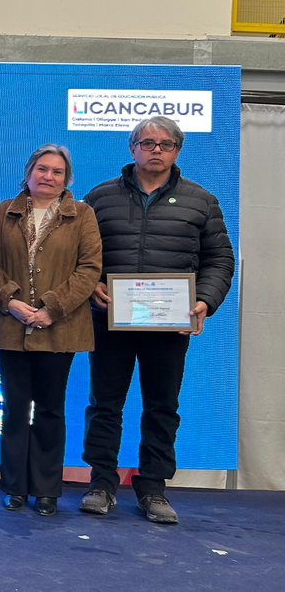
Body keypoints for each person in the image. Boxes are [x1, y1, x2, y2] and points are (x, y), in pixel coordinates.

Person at [80, 116, 234, 524]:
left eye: (165, 144)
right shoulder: (99, 198)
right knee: (105, 405)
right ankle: (101, 483)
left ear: (177, 151)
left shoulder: (201, 201)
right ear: (132, 149)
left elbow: (220, 260)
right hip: (109, 320)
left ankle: (153, 489)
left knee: (162, 407)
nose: (156, 150)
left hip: (170, 325)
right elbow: (78, 256)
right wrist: (92, 282)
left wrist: (204, 300)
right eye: (147, 143)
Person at [0, 145, 101, 516]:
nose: (48, 177)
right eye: (42, 169)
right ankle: (14, 487)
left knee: (50, 408)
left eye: (57, 172)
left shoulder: (82, 215)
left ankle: (47, 490)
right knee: (15, 408)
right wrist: (11, 301)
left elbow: (89, 269)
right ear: (28, 173)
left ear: (67, 179)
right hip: (9, 325)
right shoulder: (5, 212)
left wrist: (52, 308)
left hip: (59, 328)